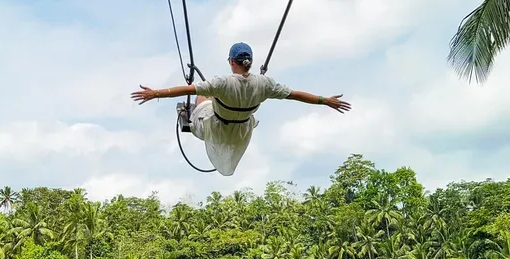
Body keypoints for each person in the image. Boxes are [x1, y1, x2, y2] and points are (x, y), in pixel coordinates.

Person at [131, 42, 351, 176]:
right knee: (212, 97)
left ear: (231, 62)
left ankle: (198, 111)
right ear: (250, 62)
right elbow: (295, 95)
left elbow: (186, 89)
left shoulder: (223, 82)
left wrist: (156, 93)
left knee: (202, 96)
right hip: (241, 134)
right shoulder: (264, 84)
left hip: (214, 128)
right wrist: (325, 100)